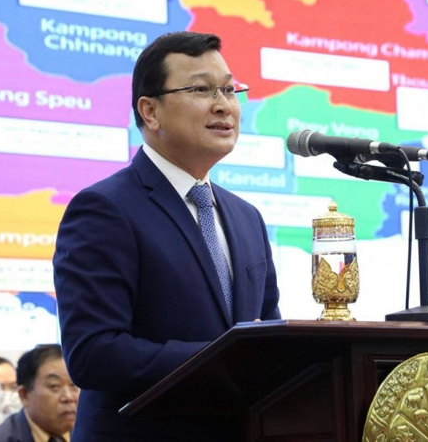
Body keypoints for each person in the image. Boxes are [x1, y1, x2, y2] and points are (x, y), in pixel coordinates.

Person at [53, 31, 281, 441]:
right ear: (150, 111)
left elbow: (268, 336)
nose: (223, 104)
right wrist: (226, 359)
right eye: (201, 89)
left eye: (230, 90)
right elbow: (93, 353)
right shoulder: (105, 208)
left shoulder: (247, 218)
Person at [0, 344, 79, 442]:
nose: (69, 397)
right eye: (54, 386)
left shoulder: (86, 432)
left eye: (73, 385)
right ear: (24, 395)